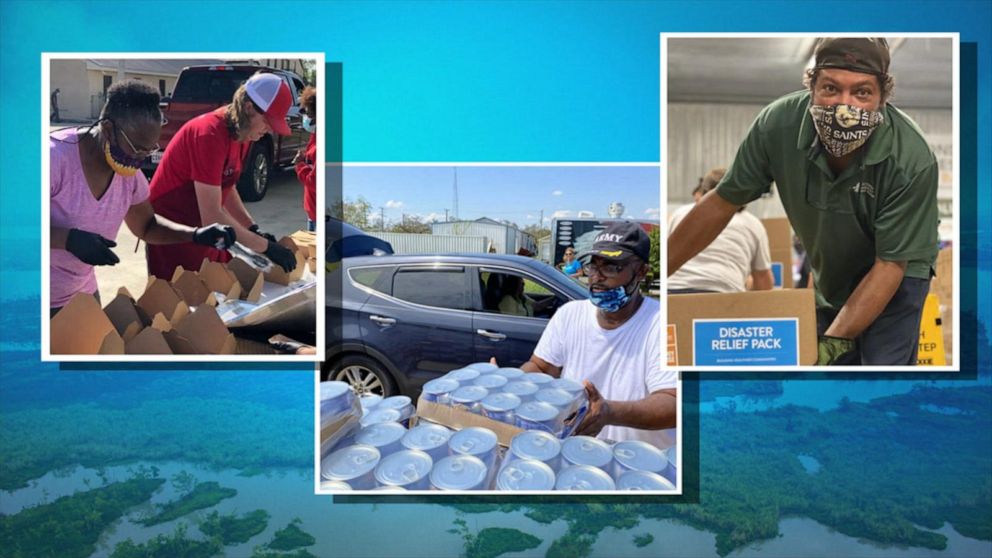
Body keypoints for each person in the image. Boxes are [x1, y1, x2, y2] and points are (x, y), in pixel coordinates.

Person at [668, 38, 939, 366]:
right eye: (830, 88)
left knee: (879, 371)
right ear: (811, 86)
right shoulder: (778, 126)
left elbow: (889, 265)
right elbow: (722, 203)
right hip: (832, 267)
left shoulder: (909, 158)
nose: (844, 107)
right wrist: (653, 277)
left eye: (862, 92)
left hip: (897, 270)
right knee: (829, 372)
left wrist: (832, 342)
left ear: (883, 97)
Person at [49, 80, 234, 316]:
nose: (139, 160)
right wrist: (68, 239)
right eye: (136, 148)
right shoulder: (54, 159)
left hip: (82, 294)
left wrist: (196, 235)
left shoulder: (129, 175)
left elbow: (147, 226)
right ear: (107, 129)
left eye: (148, 150)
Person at [518, 222, 677, 447]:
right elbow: (543, 368)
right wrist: (513, 383)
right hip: (577, 452)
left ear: (641, 271)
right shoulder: (570, 315)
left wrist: (609, 412)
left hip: (641, 463)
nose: (598, 277)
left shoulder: (662, 323)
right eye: (594, 265)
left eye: (612, 267)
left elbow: (672, 403)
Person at [146, 72, 297, 279]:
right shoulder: (209, 134)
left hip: (207, 229)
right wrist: (266, 247)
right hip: (175, 228)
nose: (270, 129)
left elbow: (227, 185)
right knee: (186, 298)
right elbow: (212, 215)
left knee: (219, 287)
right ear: (249, 108)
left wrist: (252, 228)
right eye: (268, 121)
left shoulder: (243, 134)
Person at [668, 167, 774, 293]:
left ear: (704, 191)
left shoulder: (681, 213)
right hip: (722, 297)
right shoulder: (752, 223)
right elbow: (763, 280)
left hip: (673, 292)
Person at [293, 86, 317, 232]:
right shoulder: (317, 135)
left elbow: (314, 182)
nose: (306, 117)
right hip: (313, 211)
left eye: (308, 113)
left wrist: (300, 164)